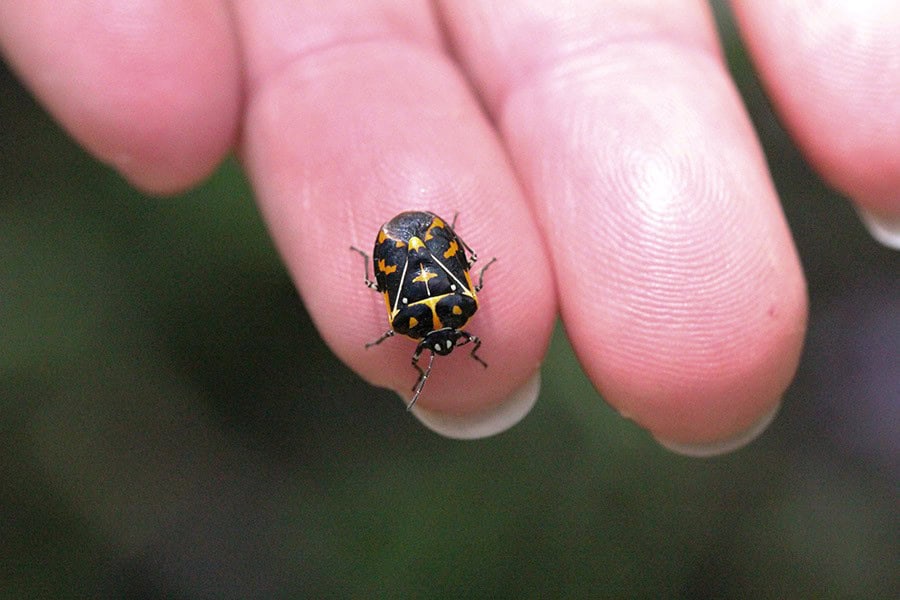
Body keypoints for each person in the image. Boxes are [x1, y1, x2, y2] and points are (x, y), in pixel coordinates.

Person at [1, 1, 896, 455]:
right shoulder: (427, 307)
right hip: (417, 235)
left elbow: (422, 279)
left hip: (416, 238)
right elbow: (422, 273)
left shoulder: (429, 310)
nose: (447, 327)